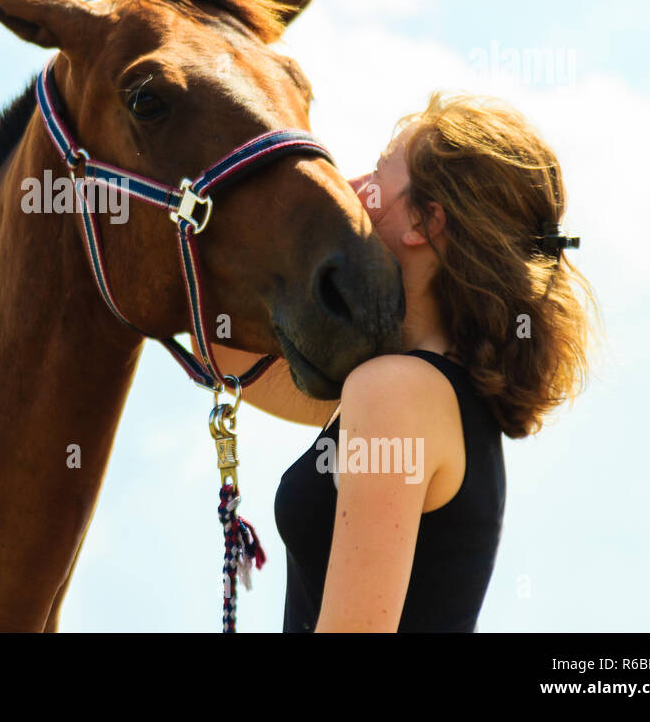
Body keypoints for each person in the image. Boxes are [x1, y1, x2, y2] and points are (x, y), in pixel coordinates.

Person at [210, 91, 598, 632]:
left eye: (377, 174)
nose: (350, 187)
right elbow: (223, 346)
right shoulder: (431, 392)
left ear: (425, 220)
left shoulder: (394, 393)